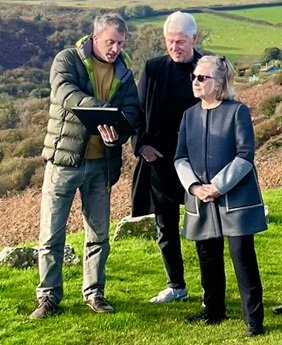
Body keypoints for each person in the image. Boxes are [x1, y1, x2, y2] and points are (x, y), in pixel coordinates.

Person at [30, 13, 139, 318]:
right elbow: (65, 93)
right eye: (110, 42)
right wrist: (105, 111)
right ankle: (48, 297)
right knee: (51, 234)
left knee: (99, 235)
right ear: (95, 38)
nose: (115, 48)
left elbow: (132, 111)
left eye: (120, 43)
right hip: (64, 162)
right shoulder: (67, 59)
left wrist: (118, 128)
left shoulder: (125, 72)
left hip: (101, 165)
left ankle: (94, 293)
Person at [174, 55, 267, 336]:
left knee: (242, 258)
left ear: (220, 82)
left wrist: (218, 186)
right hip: (200, 200)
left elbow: (244, 156)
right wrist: (194, 187)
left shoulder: (237, 112)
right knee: (207, 257)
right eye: (194, 77)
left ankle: (253, 321)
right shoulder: (188, 115)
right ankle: (213, 311)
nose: (196, 82)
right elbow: (180, 158)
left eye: (202, 78)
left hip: (235, 199)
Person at [131, 11, 201, 303]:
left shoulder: (208, 66)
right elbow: (136, 112)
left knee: (204, 228)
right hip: (159, 161)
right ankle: (176, 286)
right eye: (170, 42)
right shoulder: (154, 69)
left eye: (181, 42)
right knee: (166, 227)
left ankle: (212, 289)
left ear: (194, 39)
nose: (175, 47)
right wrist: (141, 146)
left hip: (198, 162)